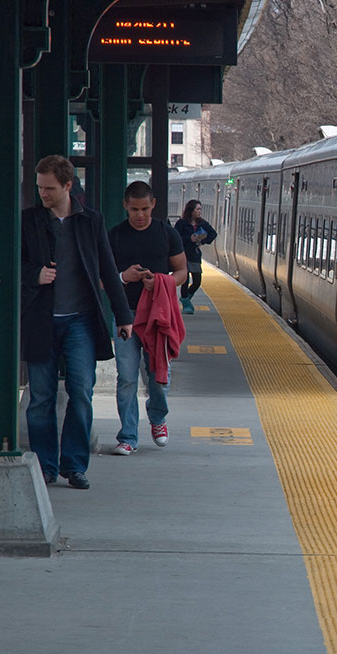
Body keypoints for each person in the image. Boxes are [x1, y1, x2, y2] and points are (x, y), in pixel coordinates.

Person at [21, 155, 134, 489]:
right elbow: (13, 263)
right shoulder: (28, 221)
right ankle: (44, 465)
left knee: (81, 392)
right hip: (41, 319)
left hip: (80, 321)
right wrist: (34, 275)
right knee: (40, 396)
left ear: (68, 186)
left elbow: (107, 270)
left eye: (50, 189)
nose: (43, 194)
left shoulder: (90, 222)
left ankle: (74, 465)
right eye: (40, 188)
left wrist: (124, 316)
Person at [107, 181, 187, 456]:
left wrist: (162, 282)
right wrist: (123, 277)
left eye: (144, 209)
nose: (139, 215)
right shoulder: (115, 236)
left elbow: (182, 272)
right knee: (127, 377)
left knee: (159, 376)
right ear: (125, 207)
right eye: (133, 209)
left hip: (158, 316)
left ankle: (157, 418)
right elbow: (102, 280)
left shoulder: (167, 234)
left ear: (153, 204)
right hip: (126, 316)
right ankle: (128, 436)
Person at [174, 199, 216, 314]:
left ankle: (185, 298)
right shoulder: (181, 223)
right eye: (197, 209)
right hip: (183, 255)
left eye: (200, 209)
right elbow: (175, 239)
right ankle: (186, 305)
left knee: (197, 281)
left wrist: (203, 241)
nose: (199, 211)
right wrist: (189, 238)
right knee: (185, 280)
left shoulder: (202, 223)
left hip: (195, 255)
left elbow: (213, 234)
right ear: (191, 210)